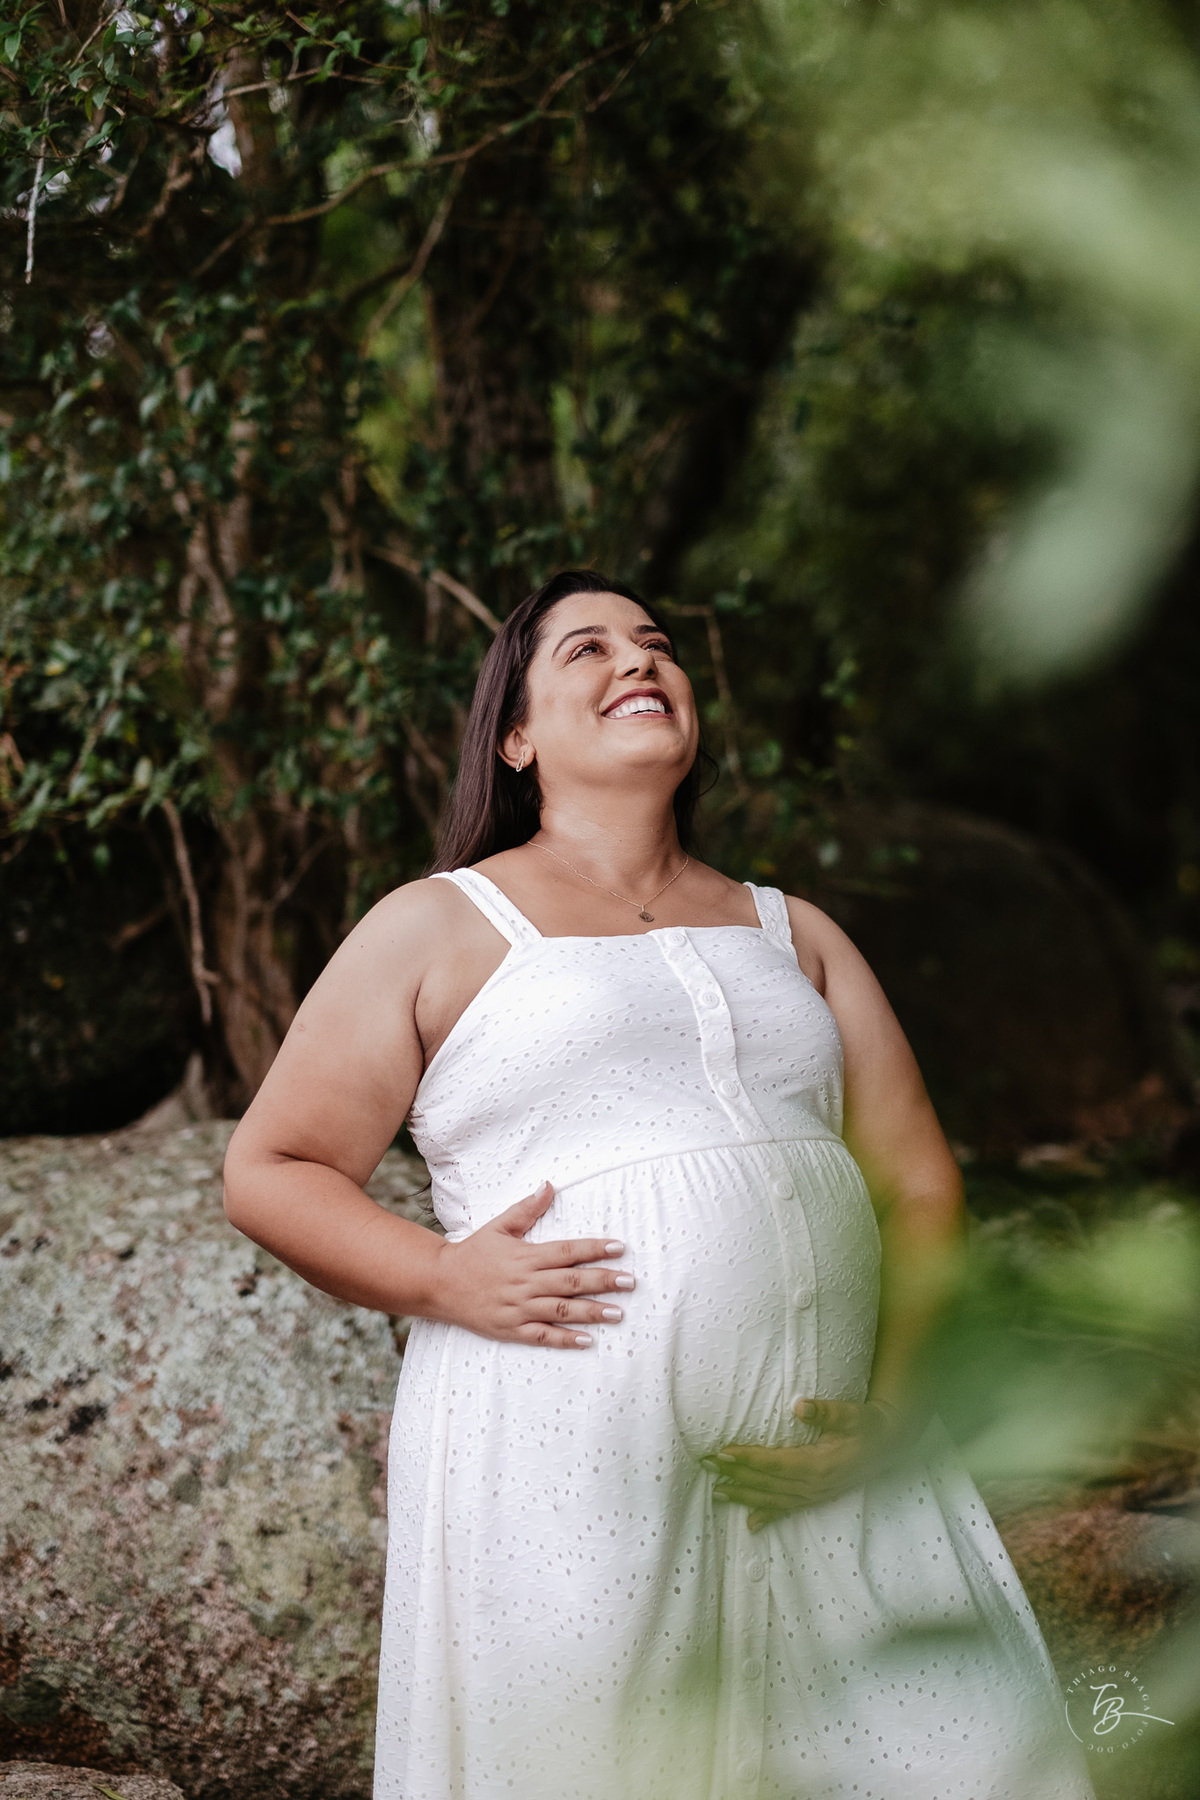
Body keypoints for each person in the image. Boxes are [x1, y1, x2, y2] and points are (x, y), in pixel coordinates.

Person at [223, 570, 1095, 1800]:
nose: (639, 660)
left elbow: (918, 1187)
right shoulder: (437, 925)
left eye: (657, 644)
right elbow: (271, 1168)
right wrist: (440, 1276)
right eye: (586, 648)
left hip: (834, 1454)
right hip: (562, 1453)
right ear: (515, 737)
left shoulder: (795, 933)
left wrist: (890, 1414)